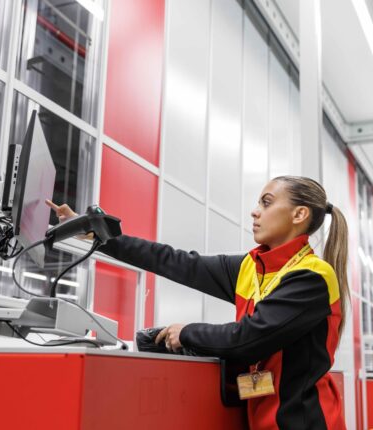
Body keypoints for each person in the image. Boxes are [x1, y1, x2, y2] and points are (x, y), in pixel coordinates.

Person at [47, 176, 349, 430]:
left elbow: (248, 339)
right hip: (263, 417)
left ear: (299, 215)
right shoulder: (251, 267)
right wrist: (98, 234)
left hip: (305, 422)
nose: (254, 212)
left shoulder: (311, 277)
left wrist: (187, 333)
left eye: (266, 203)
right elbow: (175, 262)